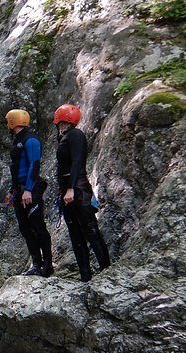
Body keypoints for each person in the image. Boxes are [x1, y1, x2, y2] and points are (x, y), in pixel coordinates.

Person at [53, 104, 111, 282]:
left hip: (78, 188)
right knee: (75, 233)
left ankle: (106, 269)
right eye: (60, 123)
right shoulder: (64, 137)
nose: (61, 126)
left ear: (69, 123)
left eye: (63, 123)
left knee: (90, 229)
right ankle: (85, 275)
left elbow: (77, 162)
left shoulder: (76, 135)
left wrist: (71, 188)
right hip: (68, 190)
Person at [4, 109, 54, 277]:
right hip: (20, 191)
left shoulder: (30, 140)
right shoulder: (17, 141)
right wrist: (13, 190)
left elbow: (35, 165)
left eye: (7, 122)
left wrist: (28, 190)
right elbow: (16, 169)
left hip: (31, 190)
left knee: (38, 227)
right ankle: (36, 264)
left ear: (12, 122)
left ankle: (47, 265)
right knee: (25, 229)